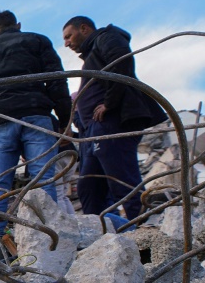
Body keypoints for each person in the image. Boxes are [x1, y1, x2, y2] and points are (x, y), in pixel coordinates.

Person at [0, 10, 71, 231]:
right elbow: (57, 82)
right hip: (35, 116)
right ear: (18, 25)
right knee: (42, 179)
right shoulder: (36, 41)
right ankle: (47, 237)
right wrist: (64, 122)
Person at [63, 16, 166, 219]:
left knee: (121, 178)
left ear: (84, 29)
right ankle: (99, 234)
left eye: (69, 36)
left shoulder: (107, 37)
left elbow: (121, 62)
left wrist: (109, 103)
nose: (66, 43)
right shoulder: (92, 54)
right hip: (94, 130)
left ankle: (143, 225)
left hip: (111, 123)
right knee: (89, 186)